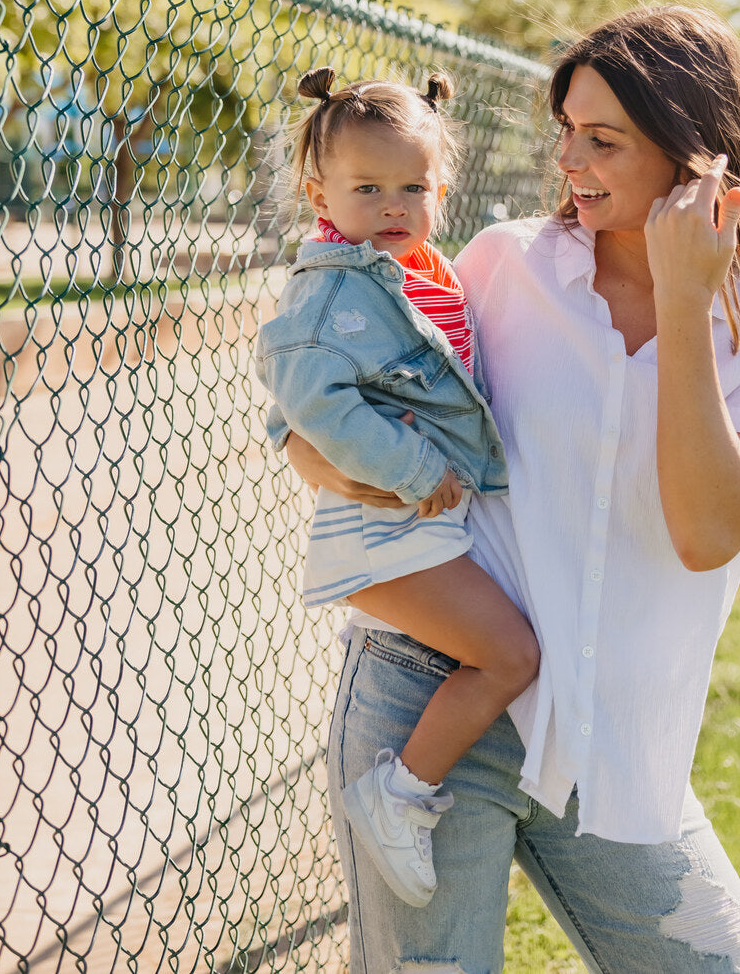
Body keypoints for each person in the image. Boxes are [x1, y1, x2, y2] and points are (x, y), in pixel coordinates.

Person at [285, 7, 740, 973]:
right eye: (566, 130)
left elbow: (709, 531)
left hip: (614, 736)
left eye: (604, 140)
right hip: (431, 699)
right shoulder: (502, 263)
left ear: (696, 155)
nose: (569, 161)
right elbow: (338, 407)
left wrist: (685, 298)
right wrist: (327, 458)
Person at [256, 66, 539, 909]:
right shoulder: (334, 287)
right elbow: (306, 395)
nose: (393, 206)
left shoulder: (421, 271)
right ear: (320, 193)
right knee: (510, 656)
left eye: (412, 187)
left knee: (507, 652)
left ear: (440, 190)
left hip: (419, 525)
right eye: (368, 188)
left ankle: (409, 789)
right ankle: (398, 795)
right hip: (385, 525)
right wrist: (416, 469)